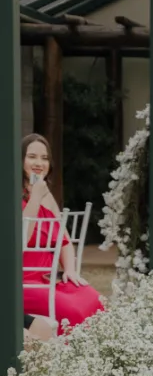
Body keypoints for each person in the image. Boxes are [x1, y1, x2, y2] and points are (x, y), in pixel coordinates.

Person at [21, 134, 104, 332]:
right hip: (24, 283)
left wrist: (70, 270)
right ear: (20, 159)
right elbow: (22, 237)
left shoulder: (47, 195)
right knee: (73, 311)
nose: (39, 163)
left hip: (49, 279)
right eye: (32, 156)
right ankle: (69, 359)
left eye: (45, 158)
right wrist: (35, 197)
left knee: (96, 300)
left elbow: (64, 240)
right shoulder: (11, 194)